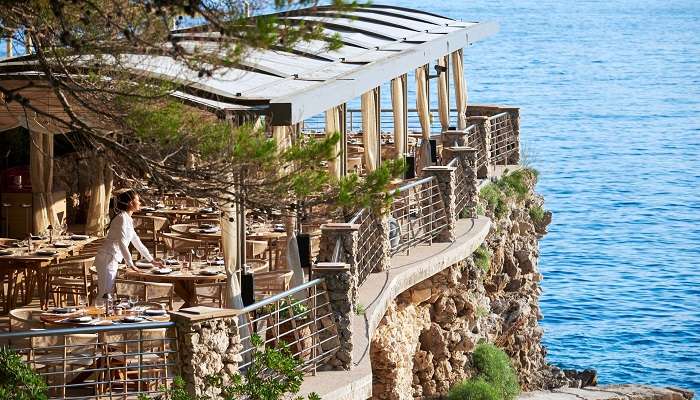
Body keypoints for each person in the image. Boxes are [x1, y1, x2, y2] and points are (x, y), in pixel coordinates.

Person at [95, 190, 162, 302]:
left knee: (108, 293)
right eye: (138, 200)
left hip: (112, 258)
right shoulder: (121, 218)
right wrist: (130, 264)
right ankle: (95, 315)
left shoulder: (127, 219)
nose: (140, 202)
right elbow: (122, 243)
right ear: (131, 203)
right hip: (107, 257)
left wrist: (152, 260)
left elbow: (137, 242)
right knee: (105, 294)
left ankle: (99, 315)